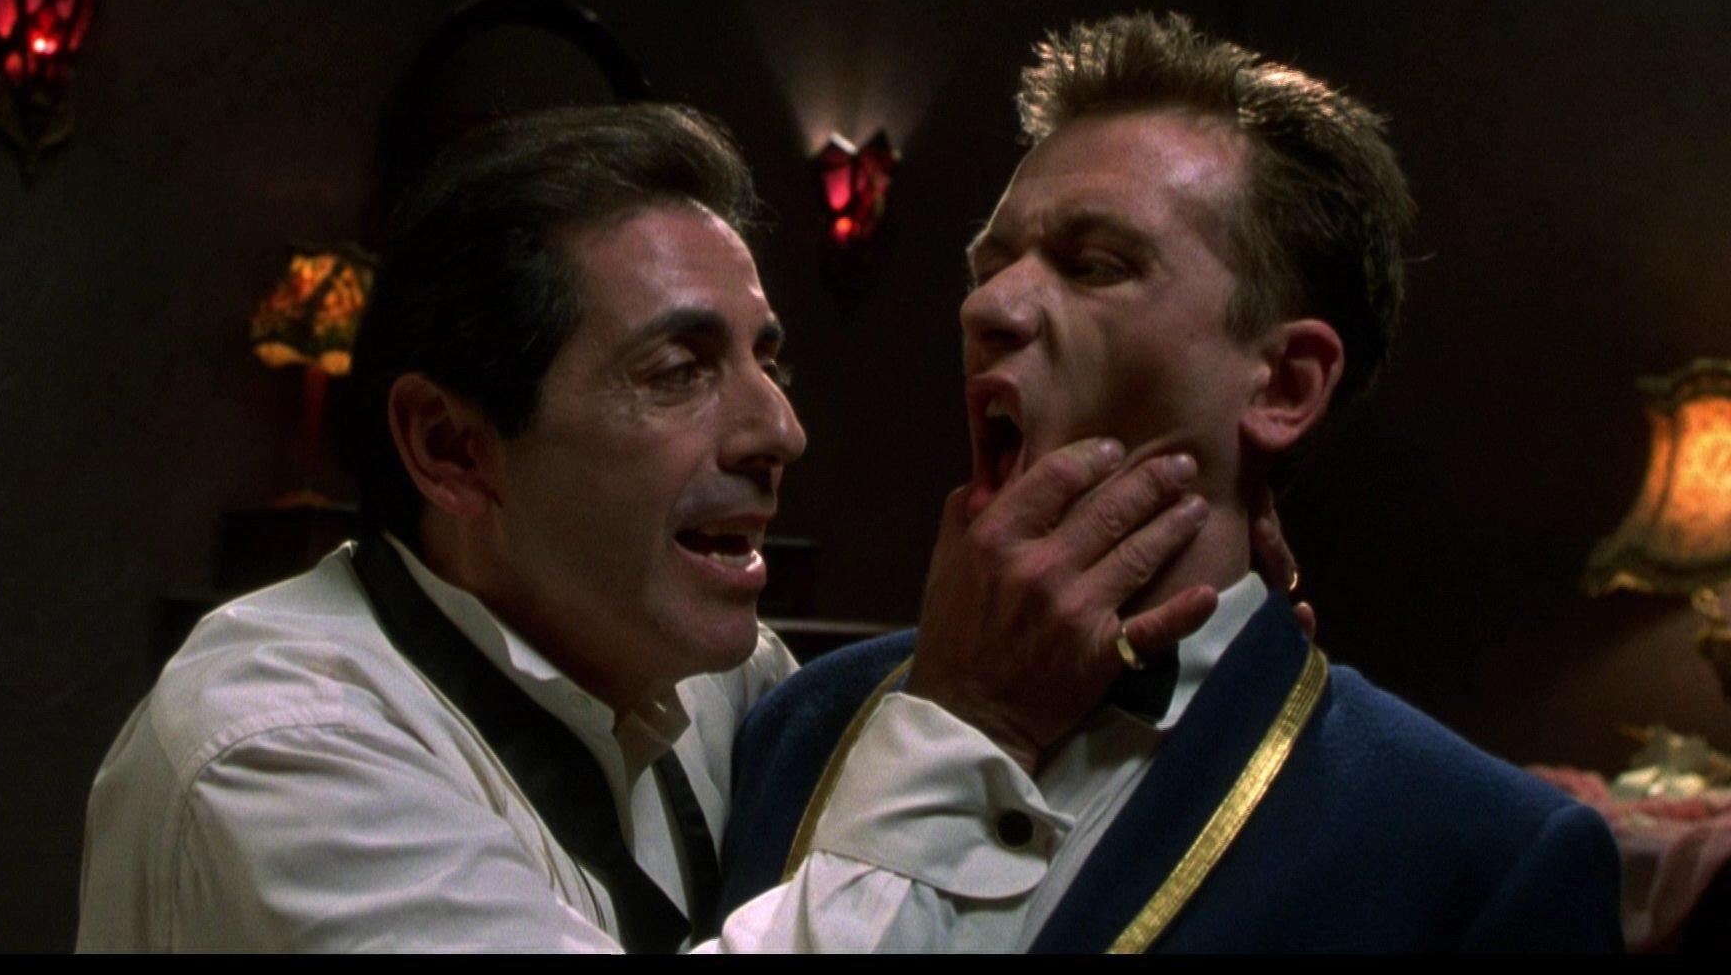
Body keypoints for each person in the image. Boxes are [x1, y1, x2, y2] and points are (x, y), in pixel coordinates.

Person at [74, 103, 1237, 951]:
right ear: (452, 447)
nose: (778, 431)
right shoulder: (280, 746)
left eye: (767, 361)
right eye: (678, 371)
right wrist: (975, 719)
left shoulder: (713, 681)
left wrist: (1162, 623)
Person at [718, 13, 1626, 952]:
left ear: (1284, 386)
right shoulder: (804, 728)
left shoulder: (1471, 857)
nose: (988, 306)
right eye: (989, 267)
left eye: (1094, 265)